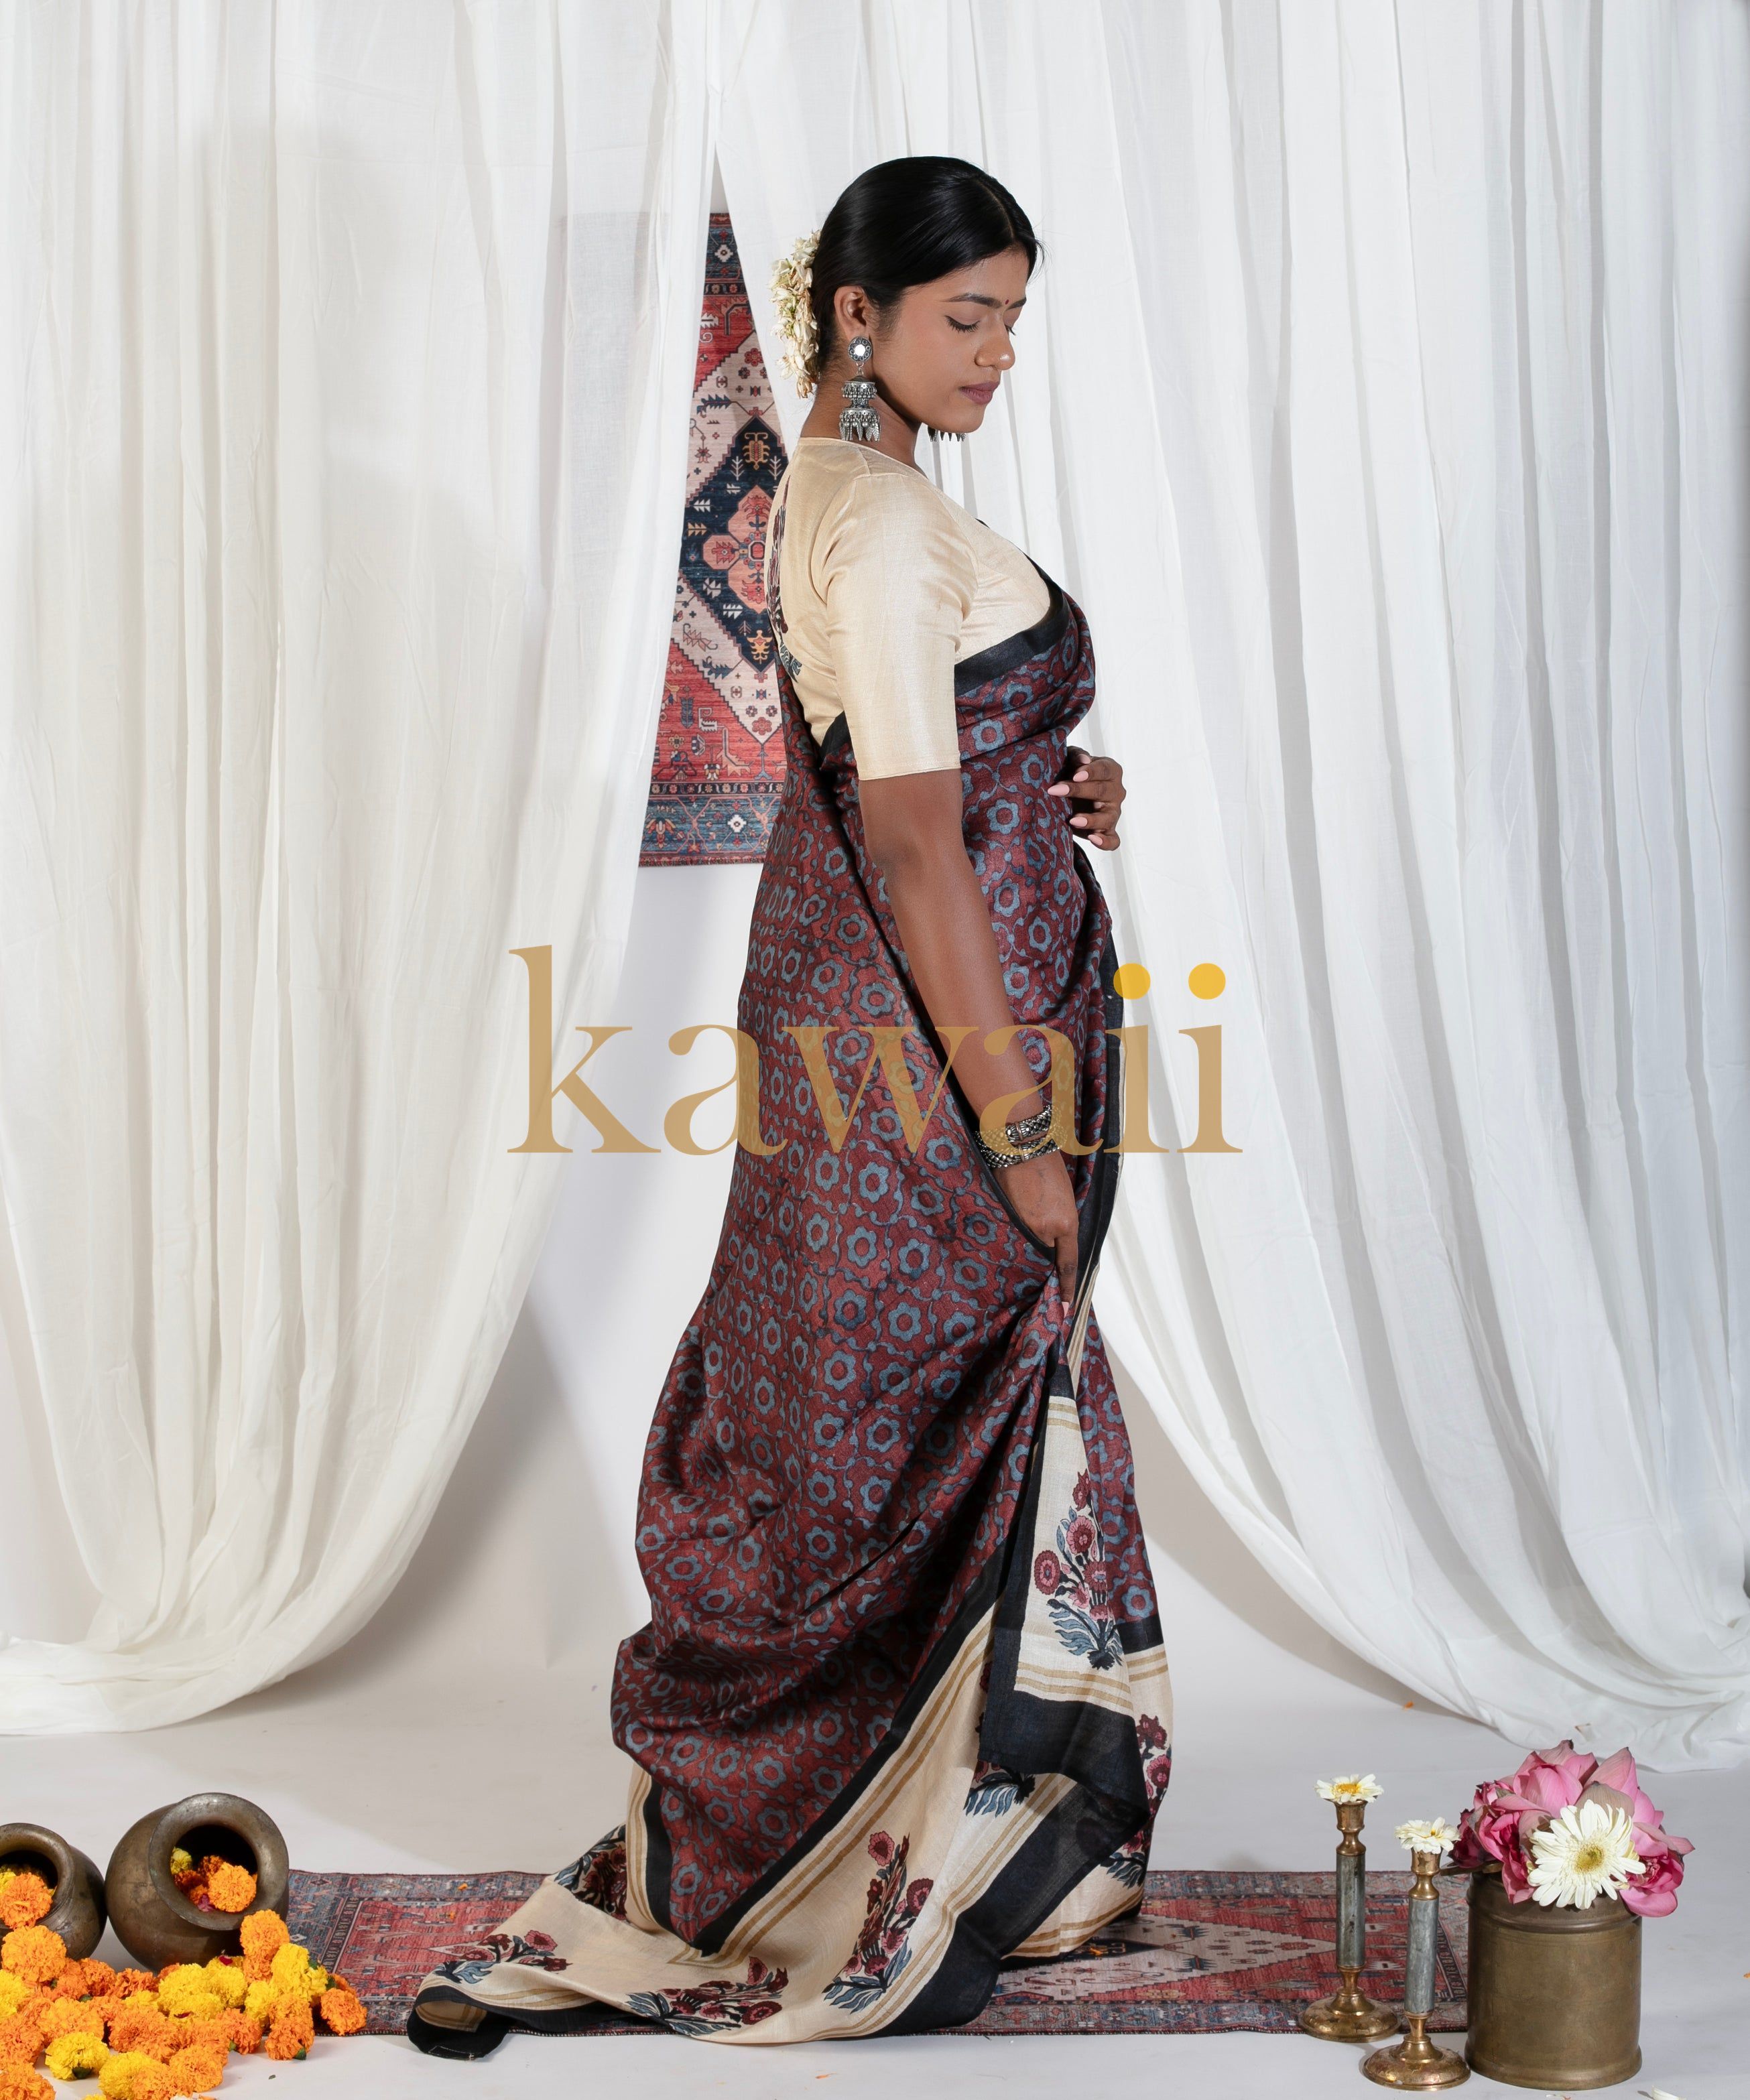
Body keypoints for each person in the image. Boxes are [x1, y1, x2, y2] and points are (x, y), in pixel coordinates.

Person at [408, 154, 1171, 2054]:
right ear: (857, 313)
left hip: (887, 1032)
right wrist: (1019, 1136)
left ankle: (910, 1830)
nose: (997, 354)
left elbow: (916, 754)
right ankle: (830, 1862)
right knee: (884, 1421)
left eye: (1013, 318)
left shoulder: (840, 493)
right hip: (926, 1063)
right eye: (965, 316)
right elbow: (906, 846)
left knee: (882, 1414)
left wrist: (1050, 774)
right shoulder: (886, 523)